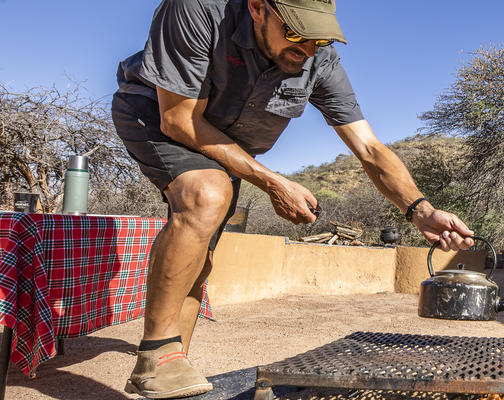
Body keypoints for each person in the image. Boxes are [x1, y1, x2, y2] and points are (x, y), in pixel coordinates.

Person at [111, 0, 475, 398]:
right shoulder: (199, 9)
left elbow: (369, 149)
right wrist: (273, 183)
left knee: (201, 258)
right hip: (158, 115)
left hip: (227, 147)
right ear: (257, 8)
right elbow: (179, 119)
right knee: (207, 194)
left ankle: (169, 372)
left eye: (320, 38)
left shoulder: (320, 59)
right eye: (297, 33)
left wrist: (420, 210)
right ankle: (156, 355)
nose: (308, 49)